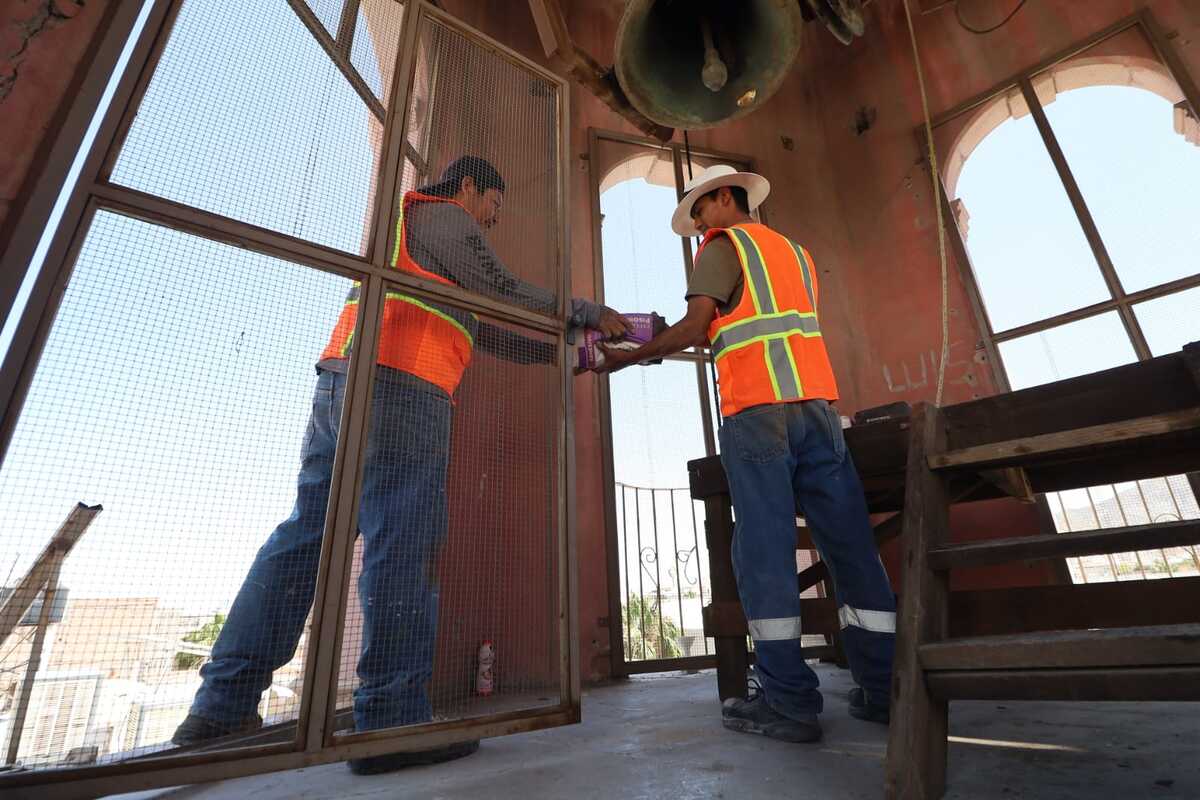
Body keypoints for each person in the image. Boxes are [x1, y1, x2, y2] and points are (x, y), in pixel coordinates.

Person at [172, 157, 628, 773]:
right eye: (495, 202)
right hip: (403, 386)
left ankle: (222, 706)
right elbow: (499, 288)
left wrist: (574, 357)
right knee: (403, 544)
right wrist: (585, 310)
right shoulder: (441, 216)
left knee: (309, 536)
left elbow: (483, 327)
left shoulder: (415, 241)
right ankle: (389, 723)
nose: (494, 217)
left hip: (346, 381)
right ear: (468, 186)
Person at [595, 164, 894, 743]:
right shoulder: (794, 253)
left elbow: (700, 325)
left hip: (758, 413)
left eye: (700, 211)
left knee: (764, 550)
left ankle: (787, 702)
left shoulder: (723, 244)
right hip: (817, 411)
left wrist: (631, 356)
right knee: (851, 546)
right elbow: (761, 322)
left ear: (724, 198)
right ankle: (884, 687)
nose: (698, 224)